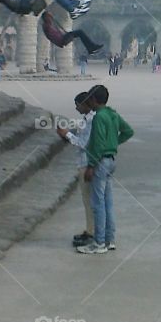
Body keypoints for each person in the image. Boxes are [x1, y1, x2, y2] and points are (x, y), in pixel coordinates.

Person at [76, 84, 134, 255]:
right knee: (108, 203)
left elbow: (98, 144)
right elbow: (128, 131)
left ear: (94, 100)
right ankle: (110, 240)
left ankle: (99, 242)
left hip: (99, 163)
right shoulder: (112, 114)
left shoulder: (99, 117)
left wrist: (91, 166)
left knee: (97, 204)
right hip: (110, 160)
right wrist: (113, 143)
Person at [57, 92, 95, 248]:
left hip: (86, 163)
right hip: (84, 162)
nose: (76, 108)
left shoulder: (91, 120)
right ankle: (90, 229)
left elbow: (83, 143)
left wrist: (67, 135)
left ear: (85, 104)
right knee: (89, 201)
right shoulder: (87, 119)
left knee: (89, 200)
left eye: (77, 105)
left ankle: (92, 232)